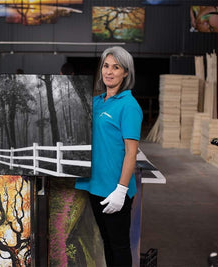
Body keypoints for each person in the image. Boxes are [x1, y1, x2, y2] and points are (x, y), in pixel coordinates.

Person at [75, 46, 143, 266]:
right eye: (106, 66)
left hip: (115, 189)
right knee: (107, 241)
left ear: (126, 73)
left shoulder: (129, 106)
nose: (109, 71)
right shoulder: (95, 102)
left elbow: (131, 152)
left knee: (120, 246)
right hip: (95, 185)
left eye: (116, 67)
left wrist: (121, 191)